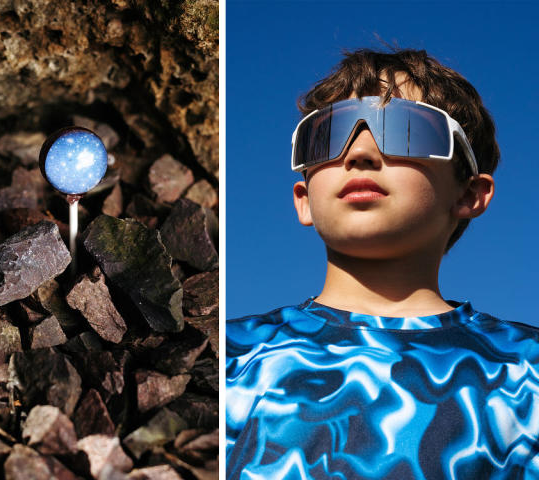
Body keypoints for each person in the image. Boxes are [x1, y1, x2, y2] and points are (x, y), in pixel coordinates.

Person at [226, 49, 539, 479]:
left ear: (468, 194)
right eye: (327, 134)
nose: (359, 152)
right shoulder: (230, 354)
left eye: (407, 129)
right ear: (304, 200)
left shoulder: (527, 368)